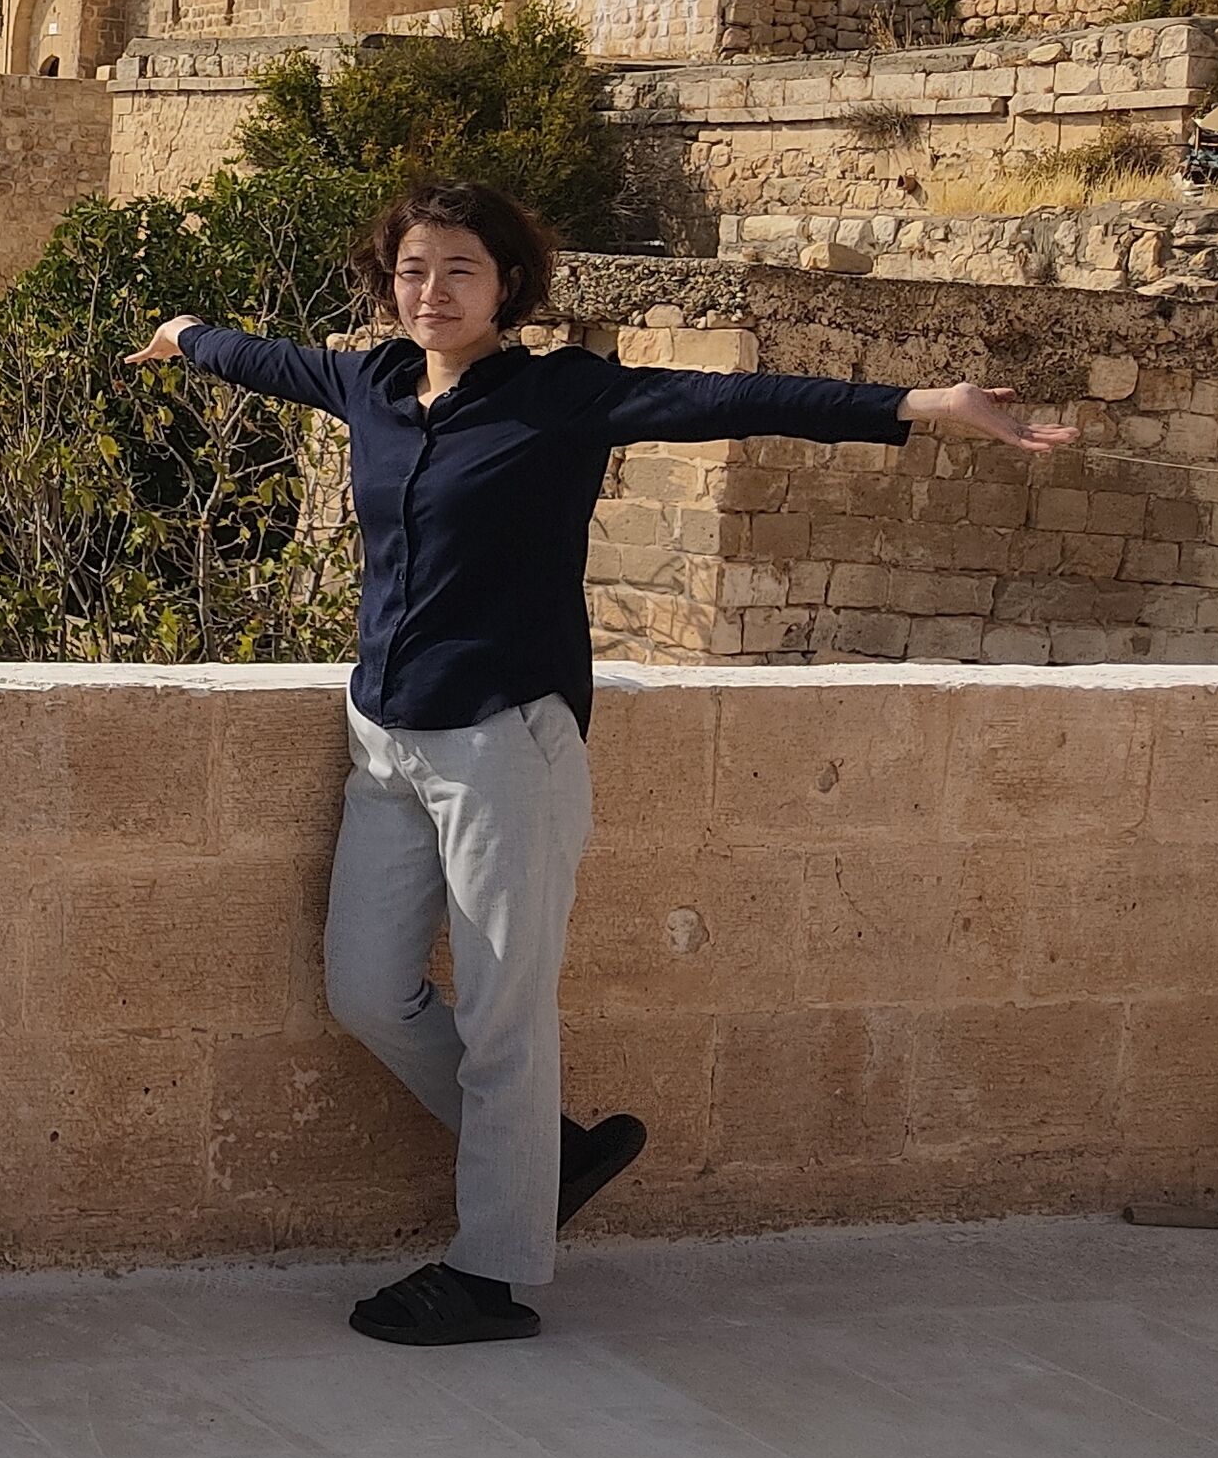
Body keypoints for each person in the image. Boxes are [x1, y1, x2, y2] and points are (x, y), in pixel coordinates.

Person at [129, 178, 1073, 1348]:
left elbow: (733, 398)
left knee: (506, 1017)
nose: (433, 291)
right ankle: (553, 1154)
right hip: (386, 739)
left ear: (509, 285)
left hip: (502, 744)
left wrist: (924, 404)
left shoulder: (558, 397)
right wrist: (186, 339)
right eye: (414, 270)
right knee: (366, 992)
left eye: (461, 270)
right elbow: (262, 358)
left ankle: (493, 1270)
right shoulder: (371, 383)